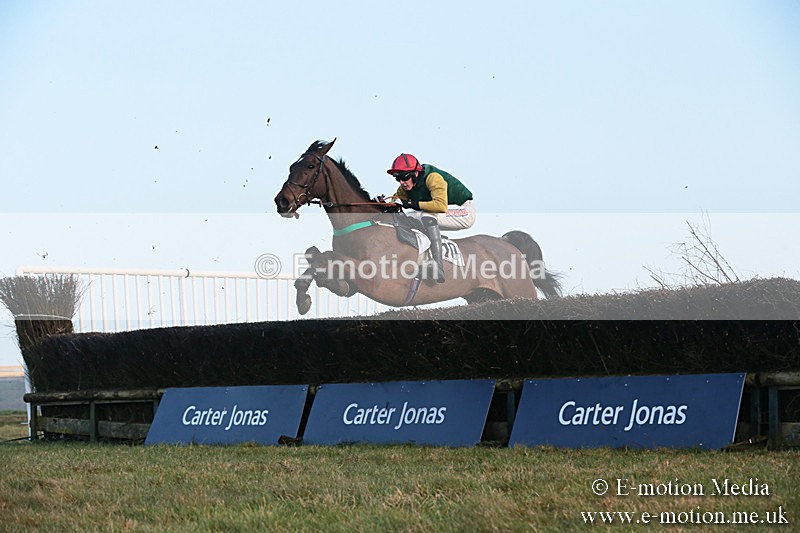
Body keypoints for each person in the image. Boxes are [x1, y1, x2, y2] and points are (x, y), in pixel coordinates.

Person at [387, 153, 475, 283]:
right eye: (397, 178)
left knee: (426, 216)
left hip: (463, 211)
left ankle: (438, 266)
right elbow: (395, 201)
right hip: (441, 212)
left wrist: (411, 204)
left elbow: (440, 206)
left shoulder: (433, 177)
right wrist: (383, 204)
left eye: (404, 177)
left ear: (415, 173)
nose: (402, 182)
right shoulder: (406, 186)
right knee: (407, 216)